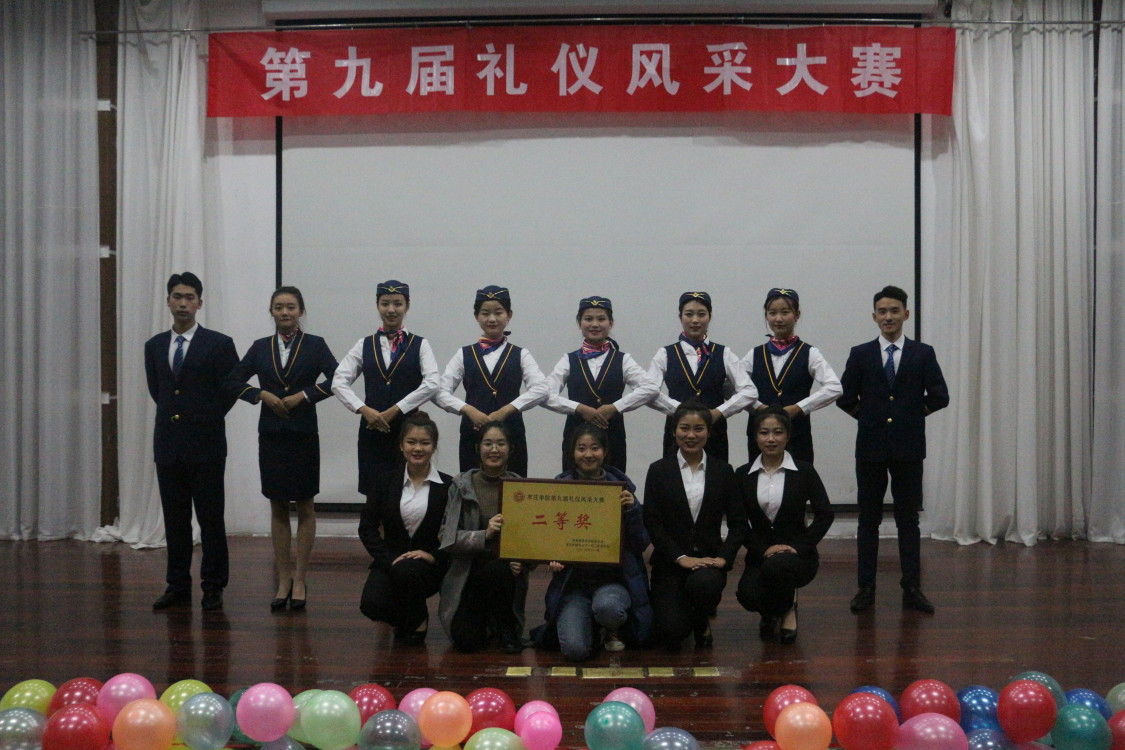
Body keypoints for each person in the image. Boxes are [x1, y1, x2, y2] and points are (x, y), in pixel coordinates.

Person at [837, 285, 949, 614]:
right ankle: (865, 588)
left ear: (906, 314)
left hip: (908, 449)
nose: (888, 317)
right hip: (870, 449)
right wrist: (869, 418)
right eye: (882, 311)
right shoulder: (861, 353)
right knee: (868, 521)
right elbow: (844, 397)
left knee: (908, 521)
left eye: (894, 311)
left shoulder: (922, 353)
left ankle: (912, 587)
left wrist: (911, 416)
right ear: (874, 316)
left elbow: (940, 396)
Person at [226, 286, 338, 611]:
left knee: (305, 504)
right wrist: (261, 395)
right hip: (272, 434)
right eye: (278, 307)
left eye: (290, 307)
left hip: (303, 434)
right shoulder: (260, 347)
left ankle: (300, 578)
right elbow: (232, 381)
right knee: (277, 506)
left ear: (301, 310)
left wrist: (305, 395)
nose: (285, 312)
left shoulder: (315, 345)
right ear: (271, 311)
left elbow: (338, 379)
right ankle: (284, 578)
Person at [144, 272, 239, 611]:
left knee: (211, 519)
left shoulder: (219, 344)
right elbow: (159, 391)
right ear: (168, 301)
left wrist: (204, 416)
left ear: (200, 303)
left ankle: (213, 586)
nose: (182, 303)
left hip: (206, 445)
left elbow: (230, 389)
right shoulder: (155, 346)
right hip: (168, 446)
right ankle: (177, 585)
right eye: (177, 297)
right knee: (175, 519)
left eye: (189, 298)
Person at [531, 423, 653, 660]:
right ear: (572, 452)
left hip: (614, 581)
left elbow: (640, 544)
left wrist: (632, 510)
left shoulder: (623, 491)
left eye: (595, 448)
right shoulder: (558, 489)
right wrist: (551, 556)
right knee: (574, 650)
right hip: (573, 586)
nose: (588, 454)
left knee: (608, 608)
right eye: (581, 448)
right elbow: (549, 537)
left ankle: (610, 627)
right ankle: (593, 628)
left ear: (604, 452)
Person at [642, 400, 748, 650]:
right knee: (671, 632)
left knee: (704, 585)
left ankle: (701, 617)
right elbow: (652, 522)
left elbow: (739, 523)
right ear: (674, 431)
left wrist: (724, 558)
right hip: (670, 563)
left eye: (698, 429)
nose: (691, 435)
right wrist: (680, 557)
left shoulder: (723, 471)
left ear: (709, 433)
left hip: (708, 562)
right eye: (684, 428)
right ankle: (686, 614)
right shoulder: (658, 470)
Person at [736, 407, 834, 644]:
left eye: (778, 432)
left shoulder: (804, 471)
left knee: (778, 567)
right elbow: (738, 522)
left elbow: (825, 514)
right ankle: (771, 611)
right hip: (760, 555)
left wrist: (798, 546)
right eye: (764, 433)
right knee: (747, 596)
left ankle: (788, 608)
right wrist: (762, 549)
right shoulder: (742, 474)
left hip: (798, 555)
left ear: (788, 436)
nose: (771, 439)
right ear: (755, 437)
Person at [332, 280, 439, 496]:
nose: (391, 310)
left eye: (397, 304)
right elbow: (338, 381)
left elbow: (432, 383)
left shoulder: (420, 344)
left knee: (407, 491)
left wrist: (397, 409)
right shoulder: (364, 344)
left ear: (407, 306)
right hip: (372, 430)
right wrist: (363, 409)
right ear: (377, 305)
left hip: (409, 432)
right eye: (385, 303)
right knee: (374, 492)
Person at [433, 285, 548, 476]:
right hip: (473, 435)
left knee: (514, 487)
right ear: (476, 316)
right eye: (485, 313)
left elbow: (542, 389)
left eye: (498, 313)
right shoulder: (464, 354)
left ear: (509, 315)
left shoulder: (521, 354)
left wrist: (506, 410)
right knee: (471, 485)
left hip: (511, 435)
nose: (492, 319)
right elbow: (439, 392)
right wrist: (468, 410)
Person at [359, 411, 451, 645]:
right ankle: (413, 616)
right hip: (391, 561)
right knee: (371, 604)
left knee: (407, 573)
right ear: (401, 445)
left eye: (425, 443)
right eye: (411, 442)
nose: (417, 448)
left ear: (434, 447)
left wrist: (433, 556)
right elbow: (367, 528)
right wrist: (388, 559)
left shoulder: (449, 486)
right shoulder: (384, 481)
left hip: (429, 566)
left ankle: (414, 619)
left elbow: (455, 530)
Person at [437, 421, 530, 653]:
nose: (494, 450)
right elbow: (446, 537)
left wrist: (524, 561)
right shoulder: (461, 485)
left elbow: (531, 540)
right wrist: (484, 535)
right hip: (468, 572)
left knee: (498, 569)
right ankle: (489, 621)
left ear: (510, 449)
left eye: (501, 444)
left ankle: (506, 626)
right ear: (478, 448)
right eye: (488, 444)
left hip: (504, 573)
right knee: (466, 642)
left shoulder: (522, 487)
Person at [543, 296, 657, 473]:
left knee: (613, 484)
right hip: (576, 439)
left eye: (601, 319)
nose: (594, 324)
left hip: (612, 438)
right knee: (573, 486)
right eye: (588, 319)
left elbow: (651, 388)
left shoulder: (623, 359)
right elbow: (544, 395)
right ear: (579, 323)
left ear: (611, 323)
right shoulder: (568, 360)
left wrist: (616, 407)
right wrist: (579, 408)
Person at [645, 291, 756, 463]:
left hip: (714, 433)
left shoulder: (724, 353)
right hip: (678, 434)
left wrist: (719, 412)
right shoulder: (665, 354)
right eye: (689, 314)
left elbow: (749, 391)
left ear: (710, 317)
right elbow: (649, 393)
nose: (695, 320)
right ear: (680, 317)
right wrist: (680, 410)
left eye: (701, 314)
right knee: (674, 475)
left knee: (716, 475)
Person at [742, 288, 841, 464]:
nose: (778, 319)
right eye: (772, 313)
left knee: (799, 478)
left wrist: (798, 408)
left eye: (785, 312)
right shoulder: (754, 354)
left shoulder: (810, 353)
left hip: (797, 435)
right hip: (760, 437)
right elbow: (732, 386)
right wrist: (757, 407)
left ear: (797, 315)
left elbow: (834, 387)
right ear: (766, 316)